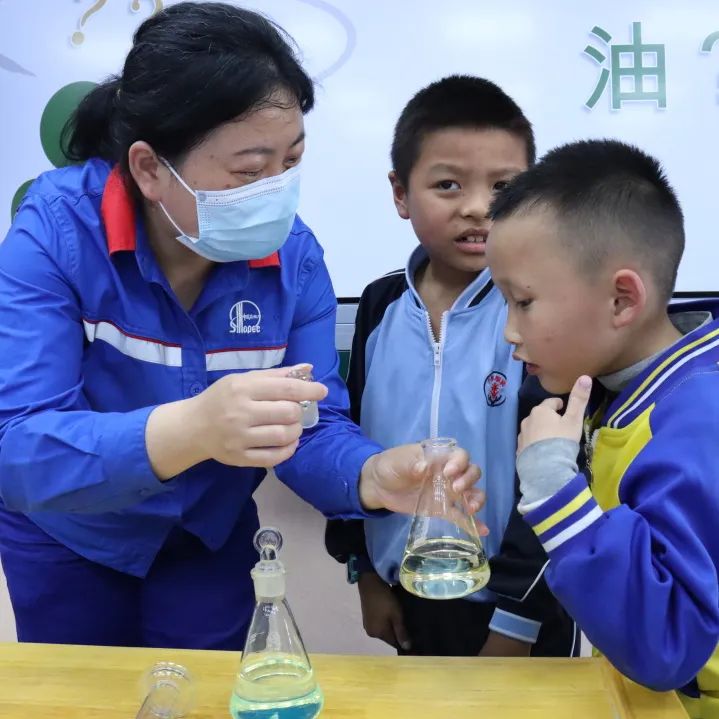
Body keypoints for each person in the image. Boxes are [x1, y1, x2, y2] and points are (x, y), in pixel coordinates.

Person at [0, 2, 482, 650]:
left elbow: (309, 430)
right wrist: (194, 427)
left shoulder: (294, 259)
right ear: (148, 168)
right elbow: (19, 444)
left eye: (290, 162)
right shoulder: (57, 232)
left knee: (218, 691)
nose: (275, 191)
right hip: (69, 533)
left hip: (207, 531)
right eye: (249, 172)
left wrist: (370, 475)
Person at [325, 76, 575, 657]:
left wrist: (517, 625)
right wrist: (363, 571)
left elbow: (558, 473)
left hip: (521, 607)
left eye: (504, 186)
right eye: (447, 185)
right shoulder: (379, 305)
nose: (478, 207)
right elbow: (348, 434)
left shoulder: (541, 311)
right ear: (400, 192)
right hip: (409, 588)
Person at [486, 138, 719, 716]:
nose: (510, 332)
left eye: (524, 302)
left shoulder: (696, 421)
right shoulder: (612, 390)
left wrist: (554, 492)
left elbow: (666, 644)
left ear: (621, 300)